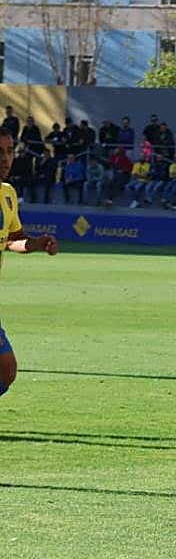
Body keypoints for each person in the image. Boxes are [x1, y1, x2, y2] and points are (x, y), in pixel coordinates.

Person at [0, 129, 59, 399]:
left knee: (6, 371)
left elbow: (13, 239)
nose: (6, 158)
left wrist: (36, 244)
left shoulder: (8, 194)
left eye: (10, 151)